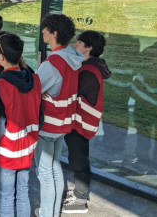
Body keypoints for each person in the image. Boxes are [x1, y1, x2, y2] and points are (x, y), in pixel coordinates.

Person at [34, 14, 85, 217]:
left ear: (54, 33)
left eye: (45, 28)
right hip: (64, 122)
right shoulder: (73, 57)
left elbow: (34, 89)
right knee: (55, 169)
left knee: (44, 173)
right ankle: (52, 212)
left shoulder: (52, 63)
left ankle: (48, 213)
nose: (42, 32)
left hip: (48, 124)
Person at [0, 33, 42, 217]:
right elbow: (39, 115)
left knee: (5, 197)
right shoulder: (35, 80)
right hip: (28, 149)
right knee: (22, 193)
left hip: (5, 154)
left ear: (1, 57)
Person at [62, 31, 110, 214]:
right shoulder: (92, 66)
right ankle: (79, 192)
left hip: (80, 122)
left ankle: (81, 199)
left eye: (80, 43)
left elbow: (72, 90)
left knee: (78, 158)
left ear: (89, 48)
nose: (76, 45)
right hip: (81, 120)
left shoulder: (89, 71)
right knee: (79, 156)